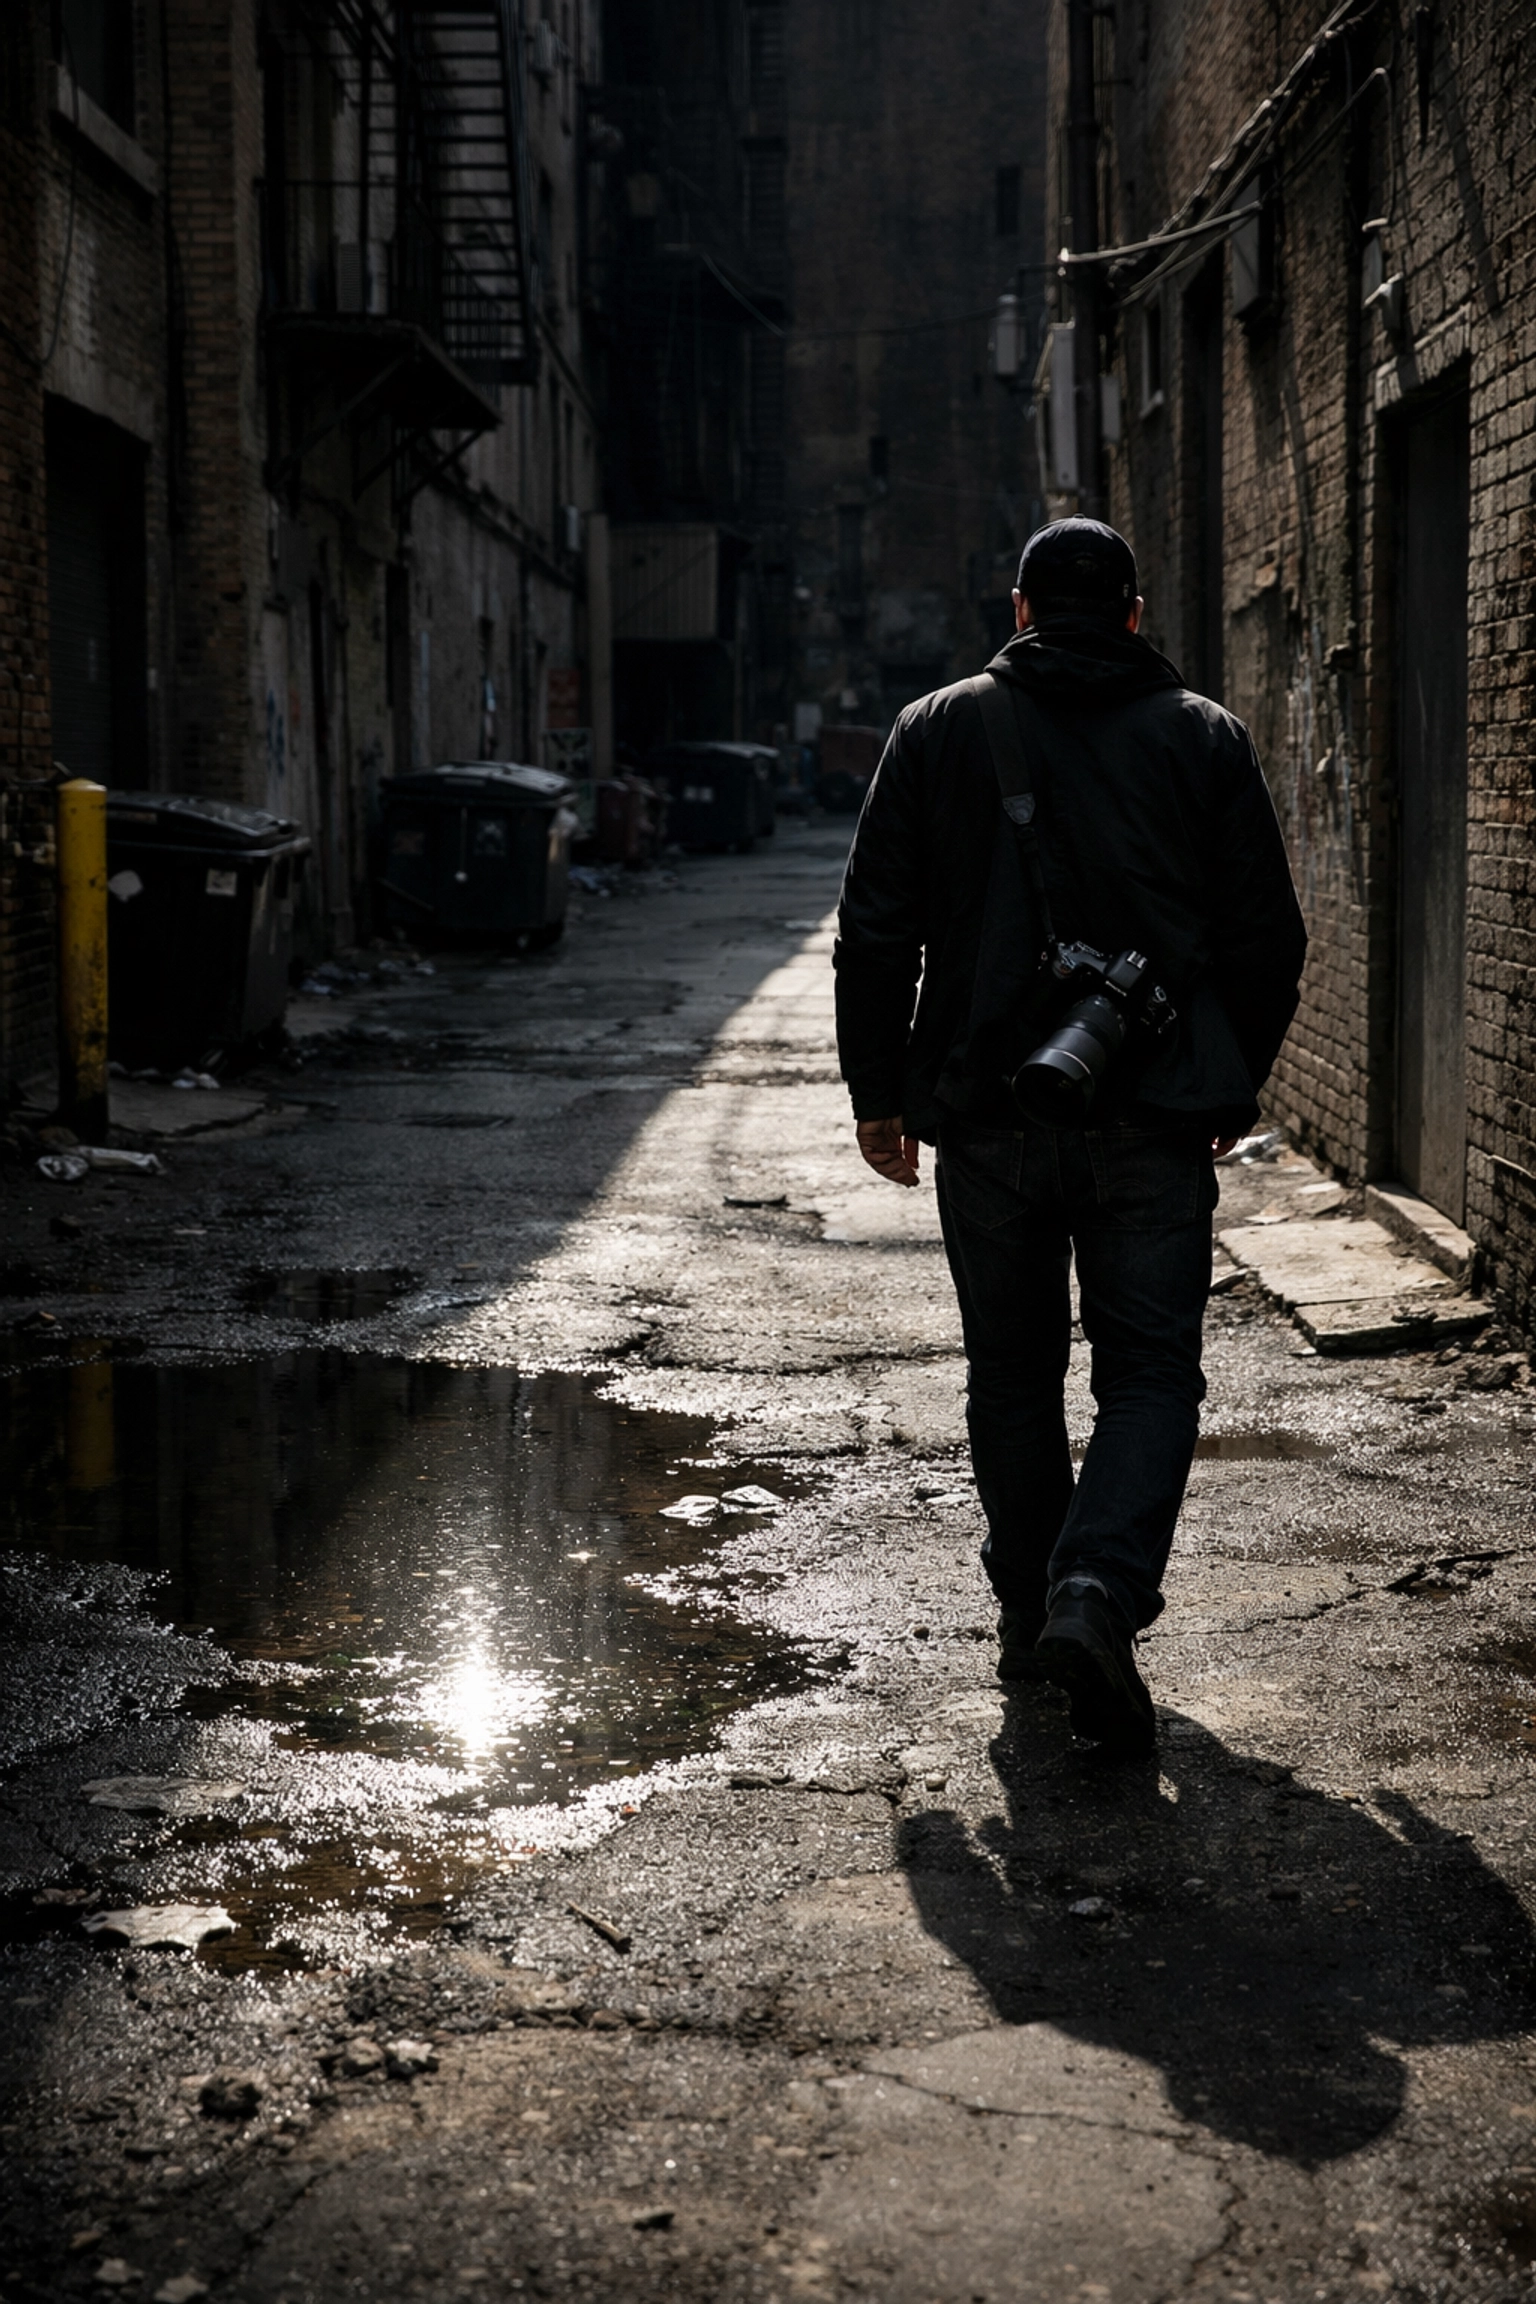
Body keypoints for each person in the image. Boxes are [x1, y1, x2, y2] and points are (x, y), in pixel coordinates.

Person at [834, 517, 1307, 1756]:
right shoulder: (1202, 738)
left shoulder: (935, 730)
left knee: (1012, 1369)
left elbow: (876, 925)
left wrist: (878, 1092)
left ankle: (1029, 1607)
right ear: (1137, 615)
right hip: (1151, 1118)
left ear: (1022, 607)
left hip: (988, 1117)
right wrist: (1225, 1081)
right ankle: (1093, 1594)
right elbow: (1269, 939)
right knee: (1149, 1371)